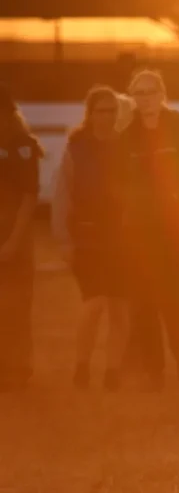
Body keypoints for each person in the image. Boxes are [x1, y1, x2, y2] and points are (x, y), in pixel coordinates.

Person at [121, 70, 179, 390]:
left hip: (175, 229)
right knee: (143, 305)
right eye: (139, 93)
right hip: (139, 233)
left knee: (171, 300)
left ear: (162, 93)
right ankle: (154, 372)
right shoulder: (127, 136)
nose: (145, 99)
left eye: (150, 91)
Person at [52, 86, 129, 391]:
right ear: (90, 113)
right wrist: (63, 239)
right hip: (87, 238)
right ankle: (82, 366)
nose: (107, 116)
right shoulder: (77, 148)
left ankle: (113, 372)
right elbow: (62, 195)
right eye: (101, 110)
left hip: (122, 238)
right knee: (94, 303)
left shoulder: (125, 146)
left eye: (112, 110)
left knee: (119, 308)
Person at [0, 86, 42, 392]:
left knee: (15, 306)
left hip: (12, 236)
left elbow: (29, 196)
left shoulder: (22, 144)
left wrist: (13, 241)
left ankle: (17, 370)